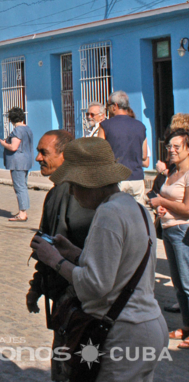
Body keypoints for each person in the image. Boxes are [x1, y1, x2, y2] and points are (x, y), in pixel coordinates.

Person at [31, 137, 168, 382]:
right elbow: (119, 266)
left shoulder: (108, 213)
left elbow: (94, 286)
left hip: (125, 330)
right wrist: (74, 253)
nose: (71, 192)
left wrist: (55, 260)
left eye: (74, 185)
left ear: (90, 183)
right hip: (149, 323)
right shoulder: (133, 206)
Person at [26, 129, 95, 381]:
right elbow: (46, 242)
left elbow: (79, 250)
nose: (38, 158)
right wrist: (36, 286)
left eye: (44, 153)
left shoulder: (77, 194)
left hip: (78, 300)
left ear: (64, 155)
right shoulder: (57, 192)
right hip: (64, 299)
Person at [150, 128, 189, 349]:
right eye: (169, 146)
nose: (171, 150)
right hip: (169, 231)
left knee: (187, 283)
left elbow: (187, 209)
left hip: (183, 232)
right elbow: (169, 199)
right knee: (179, 284)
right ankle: (186, 326)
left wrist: (162, 203)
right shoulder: (172, 171)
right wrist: (162, 208)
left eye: (177, 146)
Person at [97, 91, 148, 205]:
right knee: (138, 212)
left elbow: (99, 152)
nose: (107, 108)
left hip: (116, 177)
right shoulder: (140, 126)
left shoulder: (106, 125)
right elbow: (144, 155)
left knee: (116, 211)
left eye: (108, 105)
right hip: (137, 178)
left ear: (115, 106)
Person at [0, 107, 34, 222]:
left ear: (11, 119)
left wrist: (3, 143)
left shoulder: (17, 130)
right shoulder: (27, 128)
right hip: (26, 160)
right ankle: (23, 211)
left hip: (18, 162)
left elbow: (13, 147)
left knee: (19, 187)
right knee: (23, 186)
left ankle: (22, 213)